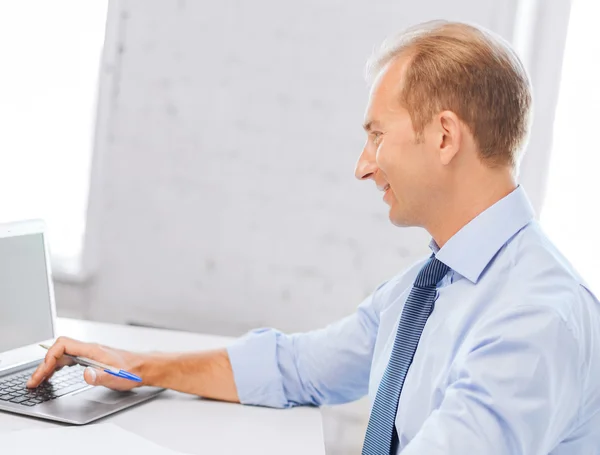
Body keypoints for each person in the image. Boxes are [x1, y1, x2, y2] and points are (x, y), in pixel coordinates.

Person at [28, 20, 600, 454]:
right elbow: (297, 367)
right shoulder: (427, 288)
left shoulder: (534, 318)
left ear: (445, 136)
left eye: (378, 136)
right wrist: (140, 365)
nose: (363, 165)